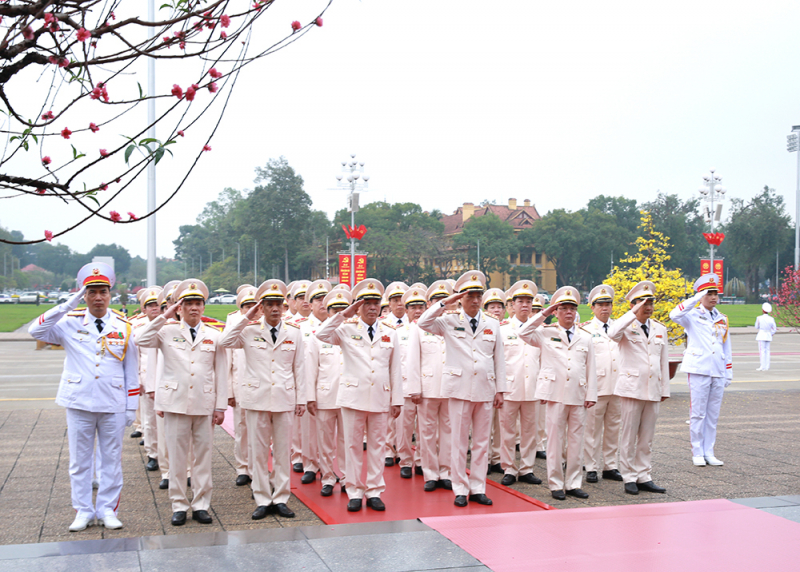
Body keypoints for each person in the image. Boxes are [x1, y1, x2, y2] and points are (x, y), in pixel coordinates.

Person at [29, 262, 139, 532]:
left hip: (113, 402)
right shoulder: (69, 322)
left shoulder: (124, 326)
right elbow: (36, 331)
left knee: (112, 460)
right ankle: (83, 510)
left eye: (103, 291)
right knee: (80, 462)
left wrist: (131, 407)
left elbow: (132, 369)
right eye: (91, 292)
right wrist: (67, 305)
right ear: (84, 295)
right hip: (79, 401)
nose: (98, 297)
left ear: (110, 294)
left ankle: (107, 509)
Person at [136, 279, 228, 526]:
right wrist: (165, 314)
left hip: (204, 402)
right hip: (175, 402)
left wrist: (220, 406)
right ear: (180, 307)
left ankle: (200, 504)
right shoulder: (166, 331)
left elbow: (221, 371)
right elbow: (141, 339)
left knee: (203, 456)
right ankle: (178, 504)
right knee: (176, 458)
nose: (194, 308)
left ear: (203, 307)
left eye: (198, 303)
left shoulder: (214, 335)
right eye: (188, 304)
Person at [417, 270, 506, 507]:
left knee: (481, 442)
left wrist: (501, 389)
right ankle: (459, 488)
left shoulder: (493, 323)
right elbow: (422, 322)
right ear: (461, 298)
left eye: (478, 295)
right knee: (458, 442)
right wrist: (446, 302)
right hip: (459, 389)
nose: (475, 300)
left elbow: (499, 359)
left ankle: (478, 488)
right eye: (469, 296)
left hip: (485, 388)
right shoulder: (448, 321)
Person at [220, 280, 306, 519]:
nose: (275, 309)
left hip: (284, 397)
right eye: (269, 304)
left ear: (285, 306)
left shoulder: (294, 333)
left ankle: (280, 497)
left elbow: (300, 368)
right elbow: (225, 341)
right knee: (257, 451)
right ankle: (261, 497)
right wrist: (247, 317)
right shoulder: (248, 331)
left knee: (281, 451)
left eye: (279, 304)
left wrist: (301, 398)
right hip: (256, 398)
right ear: (262, 307)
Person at [316, 279, 403, 512]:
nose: (372, 307)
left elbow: (395, 369)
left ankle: (374, 490)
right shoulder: (345, 329)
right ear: (358, 306)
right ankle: (354, 491)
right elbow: (321, 335)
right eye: (367, 303)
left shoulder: (390, 333)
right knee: (353, 446)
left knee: (377, 445)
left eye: (376, 303)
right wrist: (344, 314)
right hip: (353, 396)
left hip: (380, 396)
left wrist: (397, 400)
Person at [519, 286, 596, 501]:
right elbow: (523, 332)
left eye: (572, 308)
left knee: (576, 441)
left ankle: (573, 483)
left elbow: (591, 368)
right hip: (555, 393)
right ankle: (555, 483)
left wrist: (591, 394)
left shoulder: (586, 337)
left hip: (578, 394)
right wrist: (543, 313)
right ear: (556, 311)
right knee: (554, 441)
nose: (569, 312)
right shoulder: (545, 333)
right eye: (563, 308)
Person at [610, 281, 669, 494]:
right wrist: (632, 314)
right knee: (628, 435)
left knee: (647, 436)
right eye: (643, 302)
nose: (648, 306)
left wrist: (664, 389)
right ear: (633, 305)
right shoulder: (626, 327)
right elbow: (612, 333)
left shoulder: (660, 329)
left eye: (651, 302)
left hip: (652, 388)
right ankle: (628, 476)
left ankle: (644, 475)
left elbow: (663, 361)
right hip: (631, 388)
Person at [669, 274, 731, 467]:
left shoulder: (722, 318)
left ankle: (709, 451)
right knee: (698, 413)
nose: (713, 297)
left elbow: (726, 345)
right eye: (708, 293)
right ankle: (697, 451)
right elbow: (674, 315)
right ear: (701, 295)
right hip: (699, 369)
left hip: (717, 369)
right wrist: (695, 299)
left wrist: (728, 371)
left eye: (715, 293)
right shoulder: (692, 315)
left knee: (713, 414)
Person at [407, 280, 453, 492]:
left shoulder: (455, 324)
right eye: (436, 301)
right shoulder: (419, 327)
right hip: (427, 387)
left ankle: (446, 472)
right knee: (426, 432)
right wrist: (414, 388)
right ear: (431, 304)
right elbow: (413, 359)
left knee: (448, 431)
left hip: (451, 386)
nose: (441, 303)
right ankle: (430, 473)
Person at [498, 281, 543, 487]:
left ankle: (527, 468)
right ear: (512, 305)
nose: (525, 305)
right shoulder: (502, 329)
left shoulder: (541, 329)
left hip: (533, 387)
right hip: (509, 388)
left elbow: (545, 361)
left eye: (528, 302)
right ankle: (509, 468)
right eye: (521, 301)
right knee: (508, 431)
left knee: (529, 431)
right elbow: (496, 361)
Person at [308, 289, 351, 496]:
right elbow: (311, 369)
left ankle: (345, 477)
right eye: (336, 310)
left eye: (344, 310)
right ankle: (327, 477)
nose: (340, 314)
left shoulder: (355, 334)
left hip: (349, 396)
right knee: (325, 441)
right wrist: (309, 397)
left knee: (346, 441)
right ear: (329, 312)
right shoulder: (318, 336)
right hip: (325, 396)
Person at [581, 285, 622, 483]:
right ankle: (591, 466)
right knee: (592, 429)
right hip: (596, 387)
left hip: (617, 385)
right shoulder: (587, 330)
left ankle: (610, 465)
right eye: (601, 305)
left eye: (608, 305)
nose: (605, 308)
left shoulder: (619, 328)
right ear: (593, 307)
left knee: (613, 428)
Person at [297, 279, 333, 485]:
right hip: (307, 384)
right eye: (317, 300)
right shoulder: (299, 328)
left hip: (331, 384)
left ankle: (330, 466)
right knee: (309, 428)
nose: (322, 304)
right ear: (309, 305)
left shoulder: (338, 325)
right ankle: (310, 464)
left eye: (324, 299)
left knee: (332, 432)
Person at [394, 285, 427, 478]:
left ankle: (422, 460)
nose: (417, 311)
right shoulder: (397, 332)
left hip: (426, 388)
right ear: (406, 310)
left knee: (424, 428)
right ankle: (405, 460)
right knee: (404, 428)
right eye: (413, 307)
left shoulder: (432, 330)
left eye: (421, 306)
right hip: (405, 388)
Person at [225, 284, 257, 486]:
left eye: (254, 305)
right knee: (242, 429)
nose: (251, 308)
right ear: (241, 308)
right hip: (239, 385)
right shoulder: (234, 325)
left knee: (260, 432)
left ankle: (257, 468)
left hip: (260, 388)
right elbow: (227, 361)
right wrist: (228, 391)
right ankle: (242, 467)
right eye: (247, 305)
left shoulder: (263, 326)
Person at [132, 286, 164, 474]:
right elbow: (134, 357)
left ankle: (168, 456)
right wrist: (137, 379)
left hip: (169, 380)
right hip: (146, 379)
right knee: (150, 420)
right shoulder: (138, 328)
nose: (154, 308)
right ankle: (153, 455)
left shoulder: (169, 326)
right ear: (143, 309)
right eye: (150, 305)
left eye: (157, 305)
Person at [383, 282, 408, 467]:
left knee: (405, 421)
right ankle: (387, 450)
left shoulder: (413, 324)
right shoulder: (382, 324)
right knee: (387, 417)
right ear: (389, 304)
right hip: (387, 374)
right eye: (395, 300)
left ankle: (402, 450)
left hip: (407, 376)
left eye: (401, 300)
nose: (399, 304)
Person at [482, 288, 506, 474]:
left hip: (502, 382)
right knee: (484, 425)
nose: (496, 310)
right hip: (484, 381)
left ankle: (497, 458)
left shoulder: (507, 328)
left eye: (499, 307)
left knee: (500, 425)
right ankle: (485, 458)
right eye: (492, 307)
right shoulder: (483, 326)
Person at [755, 302, 777, 371]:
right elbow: (774, 328)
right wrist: (771, 333)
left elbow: (756, 326)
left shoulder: (759, 318)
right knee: (767, 351)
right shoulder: (771, 319)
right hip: (768, 335)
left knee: (762, 351)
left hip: (762, 334)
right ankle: (767, 366)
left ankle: (762, 366)